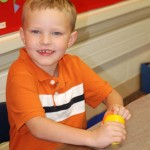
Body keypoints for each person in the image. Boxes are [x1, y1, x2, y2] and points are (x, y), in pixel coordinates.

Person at [6, 0, 131, 150]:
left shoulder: (75, 65)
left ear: (71, 39)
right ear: (23, 35)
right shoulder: (20, 74)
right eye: (36, 31)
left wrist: (114, 110)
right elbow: (37, 126)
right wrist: (92, 137)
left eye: (56, 33)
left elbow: (110, 94)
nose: (45, 41)